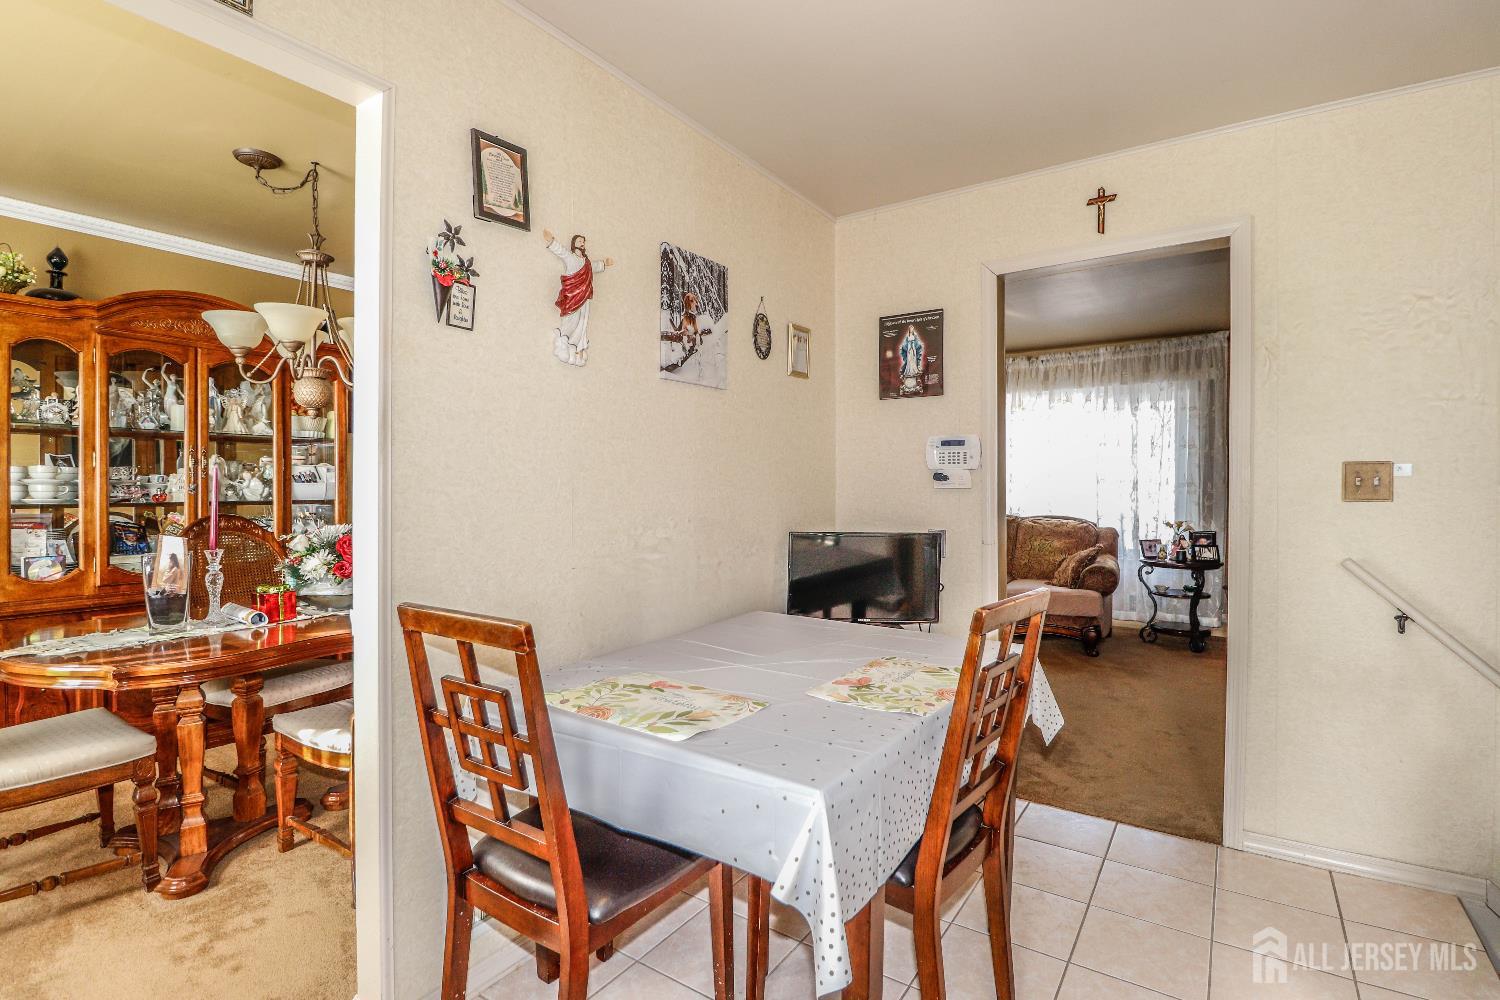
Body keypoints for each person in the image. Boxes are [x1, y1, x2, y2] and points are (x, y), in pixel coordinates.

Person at [543, 230, 614, 366]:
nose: (582, 243)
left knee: (583, 320)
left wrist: (604, 263)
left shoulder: (586, 262)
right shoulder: (571, 258)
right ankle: (563, 341)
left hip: (584, 296)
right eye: (579, 241)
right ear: (574, 244)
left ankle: (576, 347)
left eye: (583, 241)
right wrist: (551, 241)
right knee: (572, 319)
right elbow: (561, 251)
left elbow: (593, 266)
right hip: (572, 295)